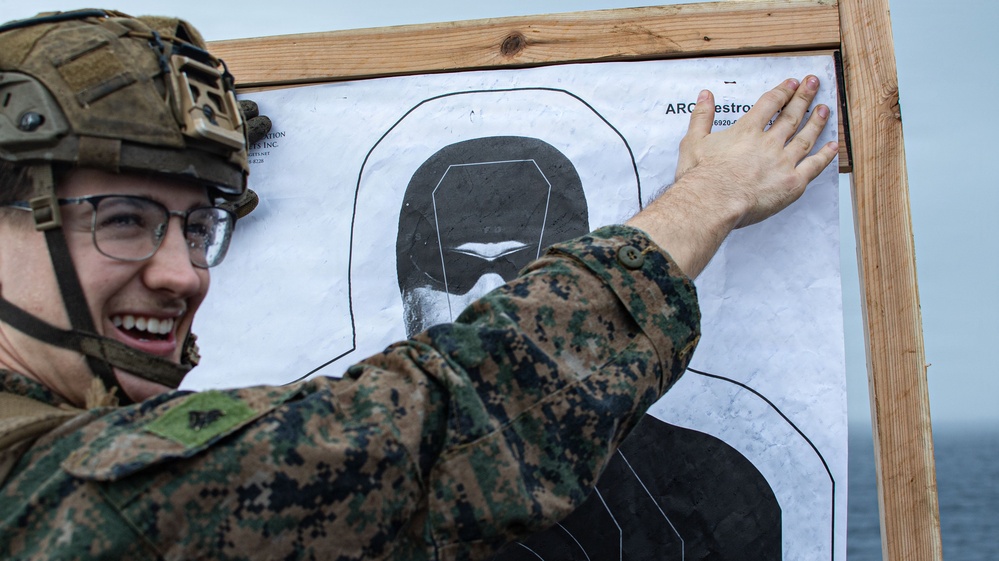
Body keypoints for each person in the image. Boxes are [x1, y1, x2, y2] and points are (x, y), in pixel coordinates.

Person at [0, 8, 837, 561]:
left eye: (195, 227)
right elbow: (435, 427)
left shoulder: (712, 491)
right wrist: (703, 205)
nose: (183, 273)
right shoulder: (60, 492)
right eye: (120, 218)